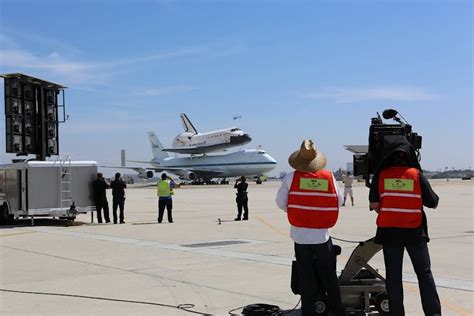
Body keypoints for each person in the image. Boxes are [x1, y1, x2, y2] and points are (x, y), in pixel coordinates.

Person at [369, 136, 441, 316]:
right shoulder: (416, 175)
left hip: (390, 234)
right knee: (424, 275)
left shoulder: (381, 175)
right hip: (414, 234)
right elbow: (433, 202)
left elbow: (375, 205)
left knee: (393, 278)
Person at [275, 140, 345, 316]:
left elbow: (280, 202)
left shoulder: (290, 177)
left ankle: (309, 312)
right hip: (322, 236)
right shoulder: (329, 177)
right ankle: (338, 311)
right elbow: (340, 201)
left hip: (300, 236)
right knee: (330, 277)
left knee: (306, 278)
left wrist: (299, 212)